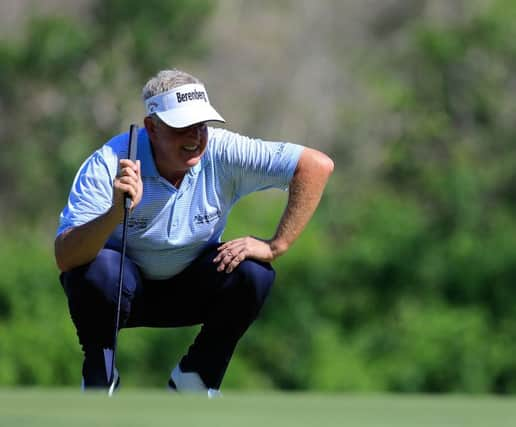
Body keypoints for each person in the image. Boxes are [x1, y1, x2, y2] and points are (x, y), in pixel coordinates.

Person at [55, 68, 334, 396]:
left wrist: (276, 246)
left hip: (191, 288)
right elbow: (65, 256)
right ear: (152, 127)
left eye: (200, 126)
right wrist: (114, 213)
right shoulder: (110, 162)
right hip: (121, 294)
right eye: (181, 128)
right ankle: (101, 374)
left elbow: (316, 166)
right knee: (95, 269)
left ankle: (196, 379)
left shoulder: (221, 151)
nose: (194, 138)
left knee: (253, 272)